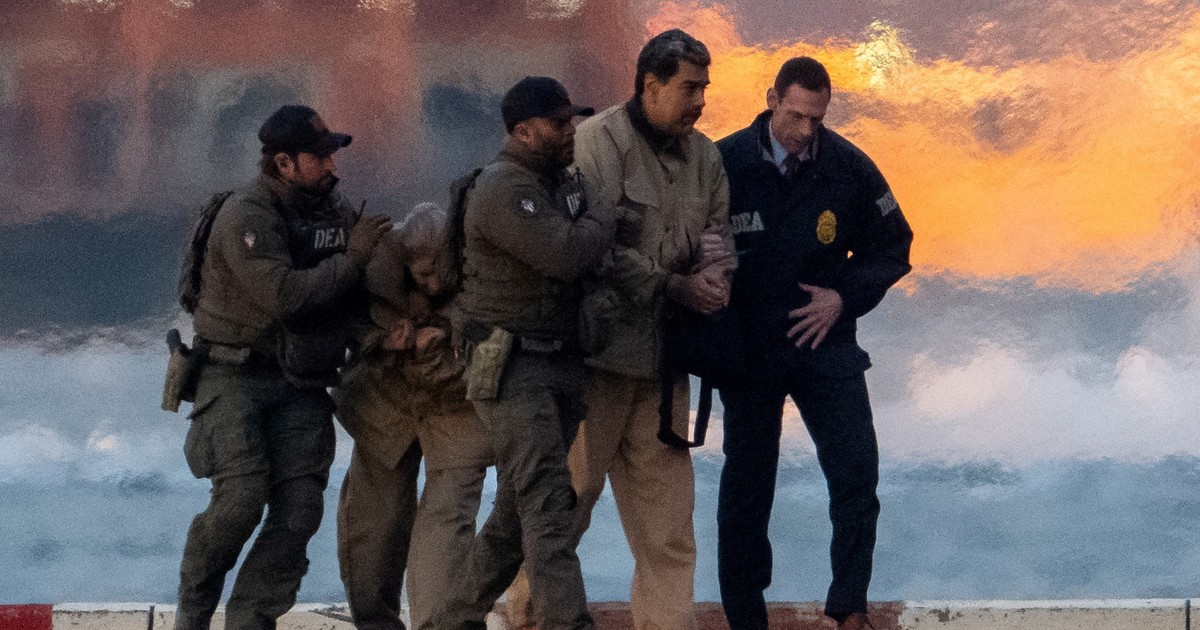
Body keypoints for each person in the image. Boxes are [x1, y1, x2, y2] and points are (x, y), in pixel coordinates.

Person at [508, 28, 734, 630]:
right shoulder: (596, 144)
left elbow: (720, 238)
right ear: (650, 84)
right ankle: (525, 618)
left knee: (669, 533)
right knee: (563, 513)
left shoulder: (706, 158)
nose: (700, 101)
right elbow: (594, 252)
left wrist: (717, 275)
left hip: (663, 372)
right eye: (689, 88)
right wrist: (675, 285)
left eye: (705, 88)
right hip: (594, 367)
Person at [714, 57, 914, 630]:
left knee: (857, 475)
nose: (806, 131)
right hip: (752, 347)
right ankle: (746, 618)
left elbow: (894, 245)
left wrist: (843, 297)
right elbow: (683, 242)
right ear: (772, 99)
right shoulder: (723, 163)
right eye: (797, 116)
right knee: (747, 488)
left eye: (817, 120)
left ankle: (848, 607)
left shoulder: (849, 166)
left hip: (825, 341)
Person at [174, 104, 392, 630]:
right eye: (320, 157)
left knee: (300, 510)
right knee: (241, 498)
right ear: (284, 164)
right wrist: (354, 258)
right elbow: (284, 296)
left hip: (301, 379)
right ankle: (193, 612)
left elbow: (346, 296)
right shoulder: (247, 216)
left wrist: (377, 329)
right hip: (234, 374)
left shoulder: (330, 212)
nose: (333, 166)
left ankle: (251, 618)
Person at [435, 76, 630, 630]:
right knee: (548, 506)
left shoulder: (560, 183)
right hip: (511, 365)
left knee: (516, 519)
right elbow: (566, 254)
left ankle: (451, 620)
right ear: (523, 131)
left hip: (558, 361)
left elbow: (586, 247)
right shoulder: (503, 188)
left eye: (574, 120)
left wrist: (594, 218)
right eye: (559, 123)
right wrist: (604, 216)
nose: (572, 131)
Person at [332, 202, 494, 630]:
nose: (434, 283)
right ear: (403, 262)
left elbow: (501, 316)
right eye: (423, 275)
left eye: (442, 271)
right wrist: (383, 340)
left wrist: (448, 333)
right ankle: (375, 621)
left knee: (446, 526)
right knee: (372, 526)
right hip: (386, 405)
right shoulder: (371, 266)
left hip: (458, 408)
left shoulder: (482, 262)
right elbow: (337, 317)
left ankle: (439, 625)